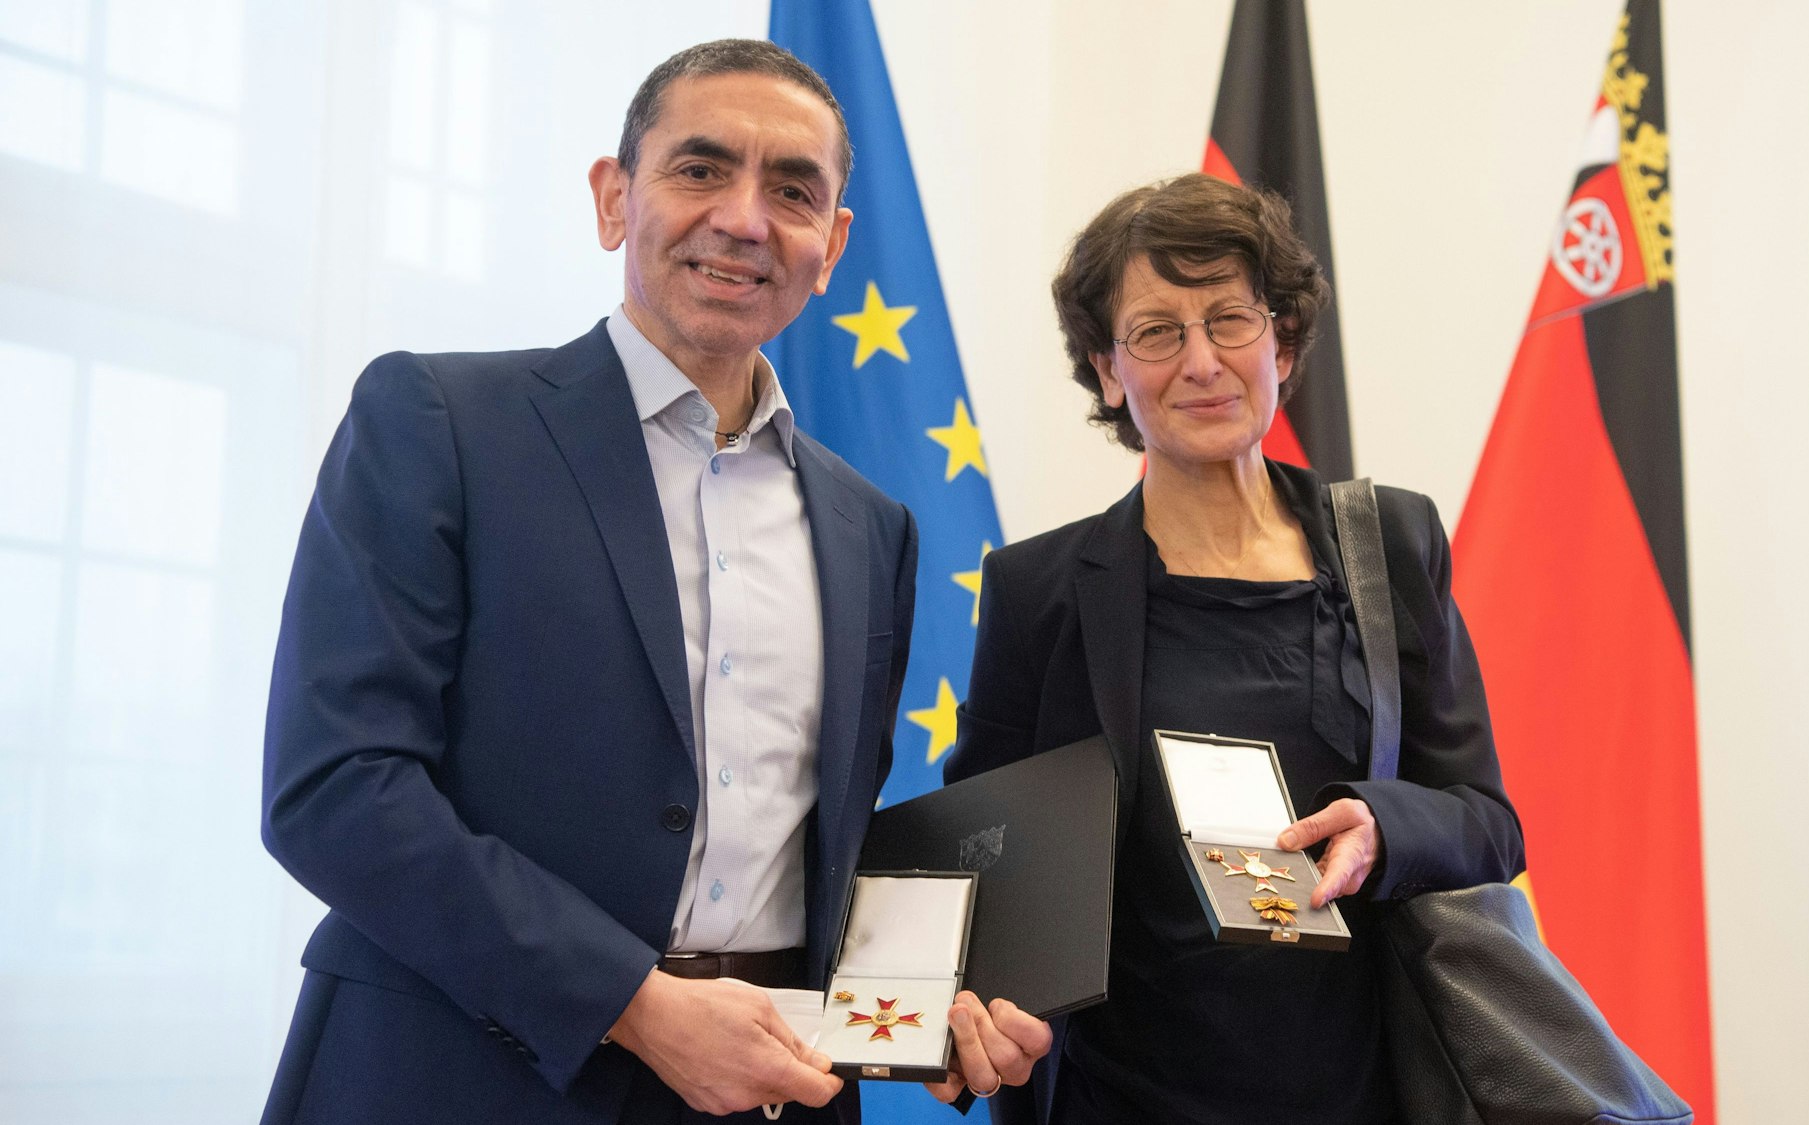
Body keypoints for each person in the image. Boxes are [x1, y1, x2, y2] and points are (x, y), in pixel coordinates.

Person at [260, 39, 1046, 1125]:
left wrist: (922, 1007)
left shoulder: (873, 528)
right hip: (459, 1072)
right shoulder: (438, 425)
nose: (743, 217)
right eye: (698, 169)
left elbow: (831, 848)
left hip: (770, 1092)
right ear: (612, 196)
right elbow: (335, 793)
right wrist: (632, 1003)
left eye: (792, 191)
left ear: (831, 247)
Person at [943, 173, 1527, 1124]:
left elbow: (1489, 821)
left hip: (1363, 1094)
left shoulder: (1392, 545)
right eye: (1156, 331)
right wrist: (961, 1019)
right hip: (1118, 1098)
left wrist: (1384, 826)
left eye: (1231, 319)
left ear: (1282, 342)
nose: (1202, 362)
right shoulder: (1038, 592)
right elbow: (983, 869)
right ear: (1106, 370)